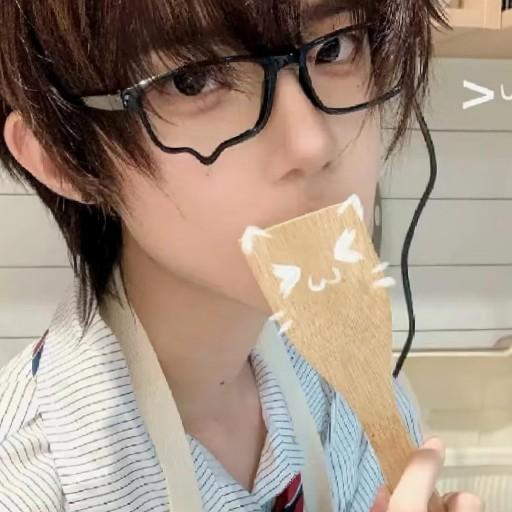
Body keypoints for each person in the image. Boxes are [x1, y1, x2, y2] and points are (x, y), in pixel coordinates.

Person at [0, 0, 482, 510]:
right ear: (64, 157)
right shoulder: (33, 486)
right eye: (192, 81)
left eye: (332, 48)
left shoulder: (353, 388)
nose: (311, 142)